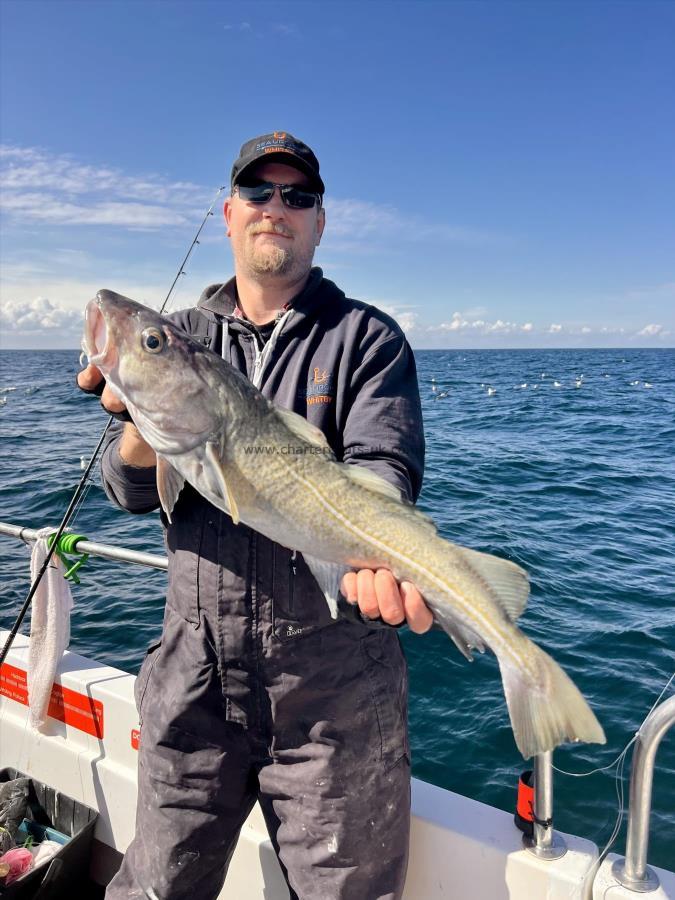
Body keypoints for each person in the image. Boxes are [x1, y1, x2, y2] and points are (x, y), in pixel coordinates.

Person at [78, 131, 432, 900]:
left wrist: (372, 549)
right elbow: (129, 491)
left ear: (319, 222)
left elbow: (384, 464)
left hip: (333, 696)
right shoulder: (180, 338)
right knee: (153, 888)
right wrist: (143, 427)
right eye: (259, 193)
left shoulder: (365, 338)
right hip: (191, 681)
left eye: (297, 196)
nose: (277, 208)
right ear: (229, 213)